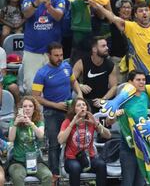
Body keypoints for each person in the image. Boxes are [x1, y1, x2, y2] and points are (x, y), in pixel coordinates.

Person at [32, 42, 83, 181]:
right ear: (49, 55)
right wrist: (56, 105)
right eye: (56, 55)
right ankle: (55, 176)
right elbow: (35, 97)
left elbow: (73, 82)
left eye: (61, 55)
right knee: (54, 144)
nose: (59, 58)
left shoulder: (67, 66)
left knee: (75, 140)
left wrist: (79, 93)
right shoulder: (41, 73)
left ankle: (74, 170)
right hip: (52, 113)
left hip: (69, 110)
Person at [22, 0, 65, 94]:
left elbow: (58, 16)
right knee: (31, 87)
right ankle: (34, 112)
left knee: (53, 86)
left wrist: (49, 7)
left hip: (52, 52)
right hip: (32, 51)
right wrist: (36, 3)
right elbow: (26, 14)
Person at [58, 97, 110, 186]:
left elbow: (108, 135)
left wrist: (96, 123)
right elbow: (60, 140)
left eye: (84, 105)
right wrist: (72, 123)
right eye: (79, 105)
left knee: (101, 164)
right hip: (72, 158)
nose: (82, 107)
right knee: (75, 167)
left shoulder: (91, 120)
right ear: (74, 109)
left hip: (89, 158)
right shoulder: (67, 121)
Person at [111, 71, 150, 186]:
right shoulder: (123, 98)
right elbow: (109, 121)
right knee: (127, 182)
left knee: (140, 182)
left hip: (143, 145)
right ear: (130, 82)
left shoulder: (145, 96)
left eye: (143, 80)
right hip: (128, 146)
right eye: (138, 80)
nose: (142, 82)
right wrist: (115, 115)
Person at [8, 96, 52, 186]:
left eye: (30, 106)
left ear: (34, 109)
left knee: (48, 175)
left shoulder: (39, 122)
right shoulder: (14, 122)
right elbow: (11, 139)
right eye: (25, 106)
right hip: (18, 161)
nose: (27, 108)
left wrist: (31, 124)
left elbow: (40, 136)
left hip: (35, 160)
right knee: (17, 176)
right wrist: (15, 124)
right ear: (21, 108)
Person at [72, 37, 117, 114]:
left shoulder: (110, 65)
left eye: (106, 45)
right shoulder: (82, 62)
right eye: (103, 46)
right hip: (86, 101)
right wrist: (80, 86)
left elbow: (114, 87)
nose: (107, 48)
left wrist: (103, 100)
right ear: (94, 49)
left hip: (102, 100)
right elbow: (71, 79)